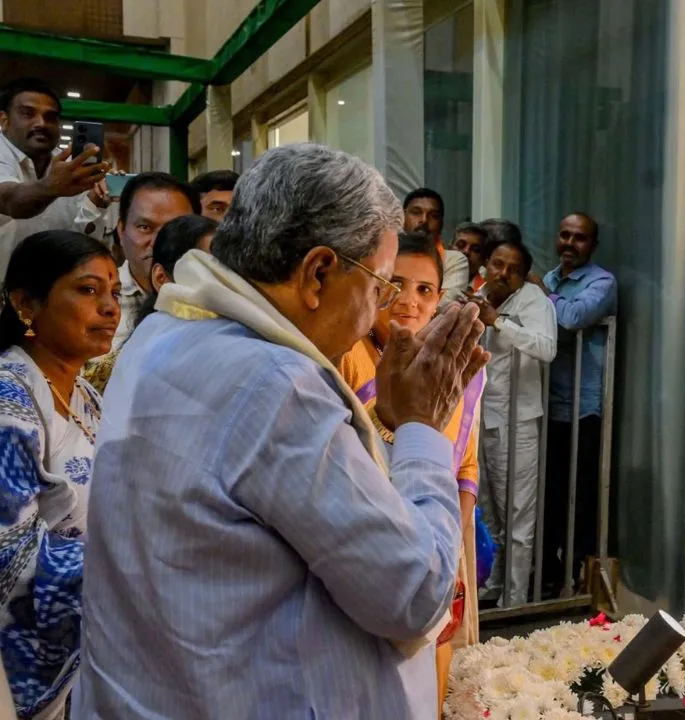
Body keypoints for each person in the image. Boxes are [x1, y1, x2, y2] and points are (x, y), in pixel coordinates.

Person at [73, 144, 488, 719]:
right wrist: (423, 429)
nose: (382, 311)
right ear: (318, 272)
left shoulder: (166, 328)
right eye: (380, 287)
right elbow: (413, 595)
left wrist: (388, 426)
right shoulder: (274, 385)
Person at [336, 231, 485, 713]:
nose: (409, 300)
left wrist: (452, 545)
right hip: (368, 540)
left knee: (433, 676)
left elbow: (465, 464)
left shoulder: (452, 363)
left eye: (424, 289)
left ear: (439, 298)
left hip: (439, 533)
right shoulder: (347, 355)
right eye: (396, 284)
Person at [0, 230, 120, 719]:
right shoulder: (8, 399)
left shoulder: (85, 396)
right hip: (23, 666)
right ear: (26, 304)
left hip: (89, 646)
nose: (110, 308)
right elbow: (10, 553)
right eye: (88, 290)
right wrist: (136, 571)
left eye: (115, 292)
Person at [528, 212, 617, 596]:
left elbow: (572, 317)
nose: (569, 243)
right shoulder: (550, 278)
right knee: (547, 494)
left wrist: (540, 296)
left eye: (579, 238)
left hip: (584, 408)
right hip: (547, 404)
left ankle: (578, 574)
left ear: (592, 245)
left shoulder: (601, 282)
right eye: (564, 235)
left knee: (580, 497)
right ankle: (547, 576)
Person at [470, 234, 556, 607]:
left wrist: (499, 323)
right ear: (486, 265)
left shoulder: (533, 301)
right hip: (483, 419)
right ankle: (493, 584)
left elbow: (547, 348)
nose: (503, 273)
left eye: (513, 269)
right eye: (498, 264)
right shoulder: (478, 295)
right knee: (488, 510)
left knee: (518, 514)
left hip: (518, 423)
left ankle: (516, 599)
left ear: (523, 277)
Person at [82, 214, 218, 393]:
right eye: (208, 272)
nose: (223, 286)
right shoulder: (116, 372)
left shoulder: (235, 347)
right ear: (161, 278)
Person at [0, 78, 110, 280]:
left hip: (54, 292)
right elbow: (10, 200)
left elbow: (78, 245)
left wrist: (94, 205)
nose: (41, 123)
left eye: (50, 117)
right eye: (28, 113)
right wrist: (51, 187)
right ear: (4, 120)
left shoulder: (70, 167)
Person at [111, 172, 200, 351]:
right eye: (145, 227)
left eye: (174, 229)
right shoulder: (95, 301)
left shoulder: (214, 300)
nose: (157, 242)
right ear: (121, 230)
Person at [403, 188, 469, 306]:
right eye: (416, 213)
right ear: (402, 217)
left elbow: (445, 305)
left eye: (433, 216)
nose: (424, 220)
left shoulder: (454, 260)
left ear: (441, 223)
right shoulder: (387, 255)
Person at [452, 222, 488, 292]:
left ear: (483, 259)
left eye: (475, 249)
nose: (466, 252)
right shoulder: (434, 279)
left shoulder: (486, 291)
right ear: (449, 249)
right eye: (460, 245)